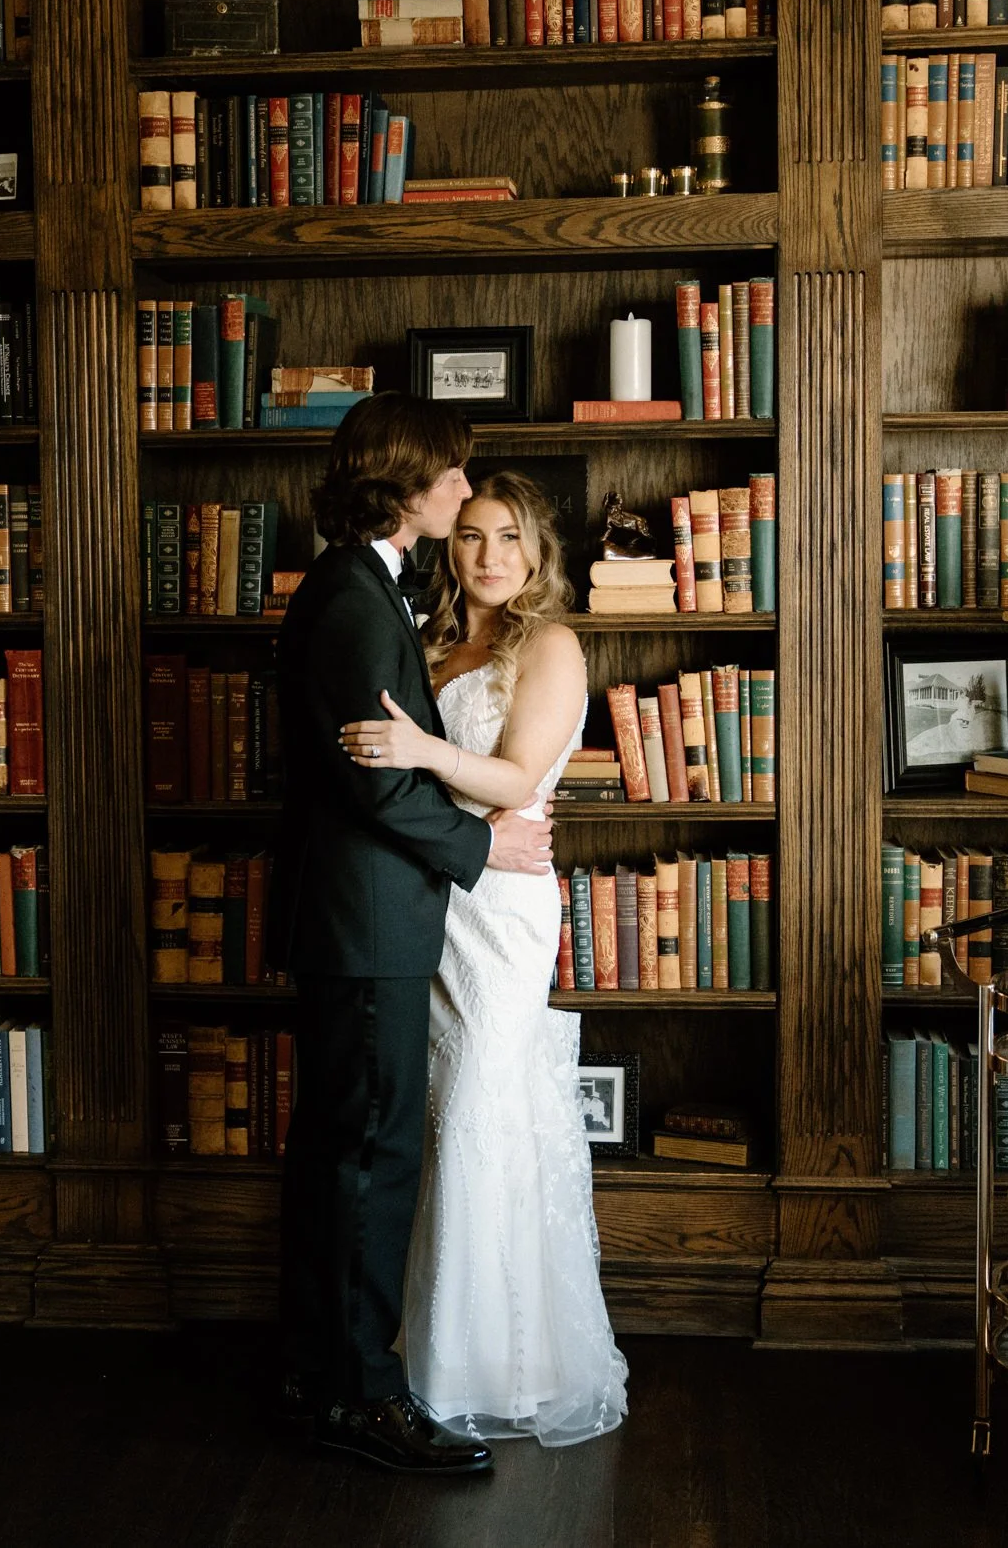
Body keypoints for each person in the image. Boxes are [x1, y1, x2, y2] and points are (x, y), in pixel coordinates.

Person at [274, 396, 555, 1477]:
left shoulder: (361, 588)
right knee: (369, 1157)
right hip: (365, 921)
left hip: (364, 919)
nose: (461, 492)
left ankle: (315, 1373)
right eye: (450, 477)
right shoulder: (350, 595)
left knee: (341, 1150)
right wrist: (484, 854)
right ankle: (361, 1396)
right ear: (406, 481)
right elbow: (373, 780)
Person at [338, 469, 631, 1448]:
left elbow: (511, 775)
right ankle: (416, 1349)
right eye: (469, 534)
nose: (489, 554)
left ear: (537, 553)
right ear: (445, 546)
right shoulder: (427, 640)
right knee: (423, 1111)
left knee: (476, 1107)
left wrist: (418, 747)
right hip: (428, 894)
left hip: (502, 901)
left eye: (509, 535)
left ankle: (494, 1363)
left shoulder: (548, 643)